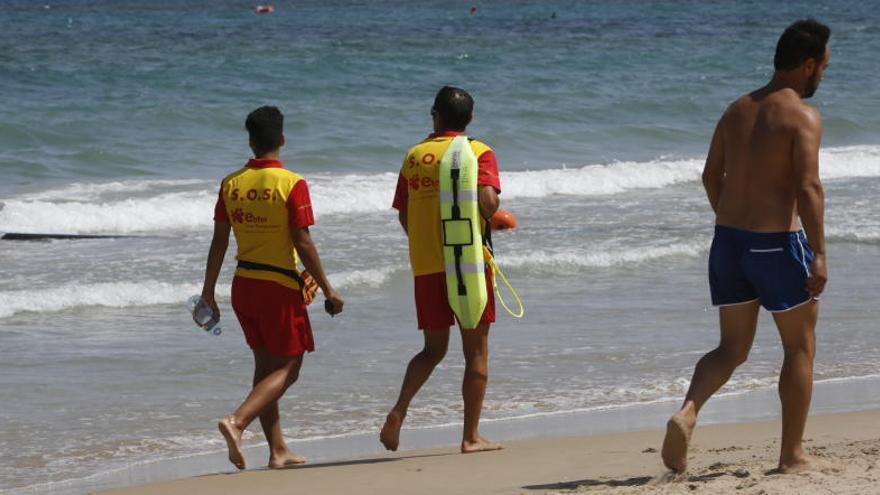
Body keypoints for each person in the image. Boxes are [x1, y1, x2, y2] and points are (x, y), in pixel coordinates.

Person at [661, 19, 831, 474]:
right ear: (808, 64)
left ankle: (688, 411)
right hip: (777, 245)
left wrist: (731, 219)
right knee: (799, 348)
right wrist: (819, 251)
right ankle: (791, 456)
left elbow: (709, 176)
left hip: (728, 243)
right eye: (823, 68)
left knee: (731, 348)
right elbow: (809, 186)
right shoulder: (802, 116)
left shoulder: (737, 108)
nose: (823, 77)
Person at [199, 106, 344, 470]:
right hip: (277, 287)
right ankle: (237, 422)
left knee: (265, 366)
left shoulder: (231, 183)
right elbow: (303, 241)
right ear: (282, 140)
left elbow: (218, 242)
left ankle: (278, 449)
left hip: (243, 286)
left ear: (250, 141)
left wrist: (207, 292)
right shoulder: (291, 183)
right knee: (290, 367)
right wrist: (328, 289)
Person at [379, 86, 503, 454]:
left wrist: (425, 243)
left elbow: (403, 212)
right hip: (467, 264)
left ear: (435, 116)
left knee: (432, 350)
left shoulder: (415, 156)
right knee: (476, 353)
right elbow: (488, 204)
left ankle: (399, 410)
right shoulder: (478, 152)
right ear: (470, 119)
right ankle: (470, 437)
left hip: (428, 265)